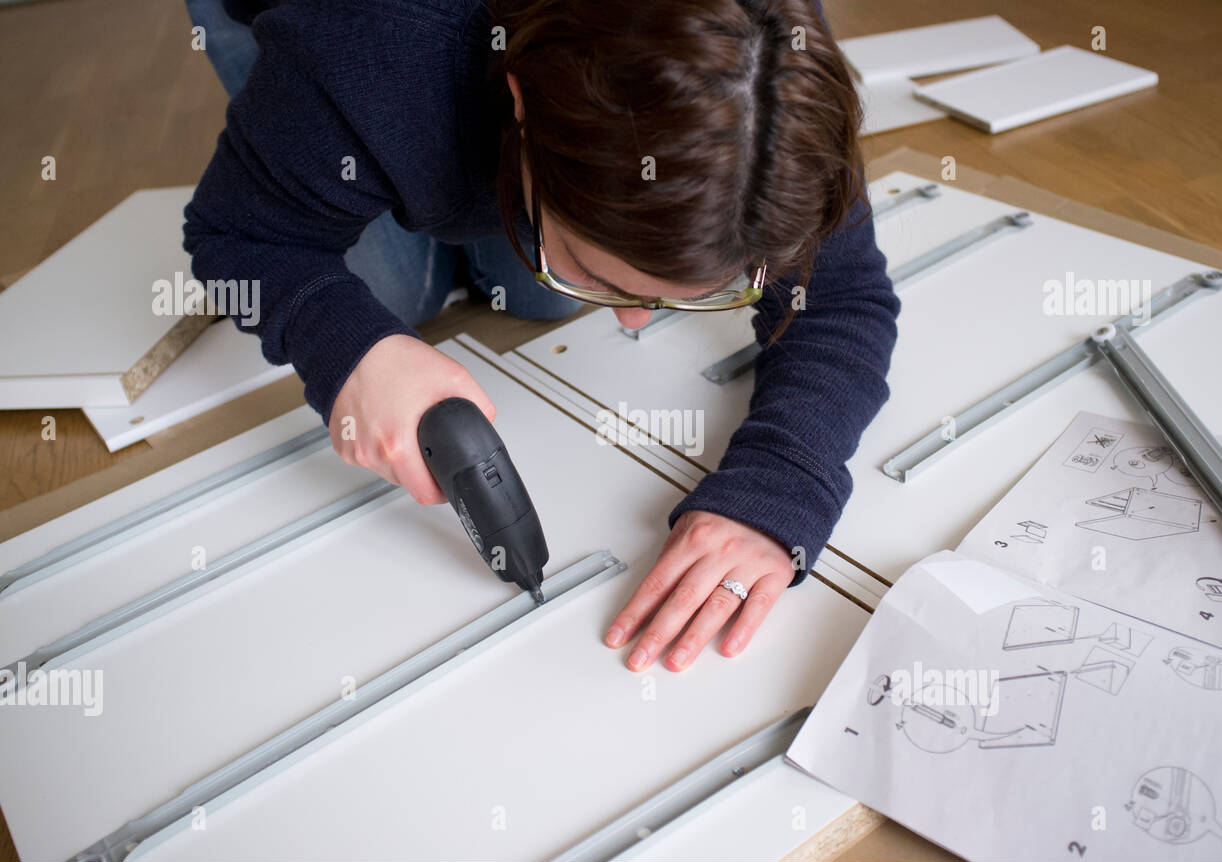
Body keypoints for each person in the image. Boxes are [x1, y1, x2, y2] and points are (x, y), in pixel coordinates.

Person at [183, 0, 900, 674]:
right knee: (397, 296)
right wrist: (350, 347)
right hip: (330, 33)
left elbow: (840, 296)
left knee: (540, 297)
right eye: (603, 275)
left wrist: (781, 488)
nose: (632, 322)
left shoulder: (771, 80)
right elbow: (238, 233)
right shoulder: (367, 47)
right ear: (522, 106)